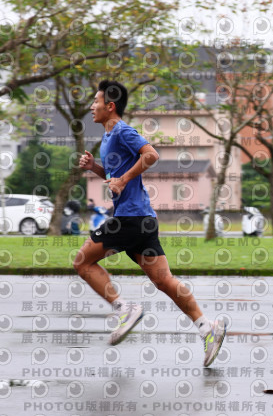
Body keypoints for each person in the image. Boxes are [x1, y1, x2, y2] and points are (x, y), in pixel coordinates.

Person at [74, 80, 226, 367]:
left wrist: (122, 180)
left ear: (110, 106)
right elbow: (114, 175)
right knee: (164, 281)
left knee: (82, 262)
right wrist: (95, 167)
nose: (91, 106)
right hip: (143, 219)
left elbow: (151, 155)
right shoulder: (108, 137)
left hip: (129, 218)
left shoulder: (122, 131)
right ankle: (208, 328)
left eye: (95, 101)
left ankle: (124, 308)